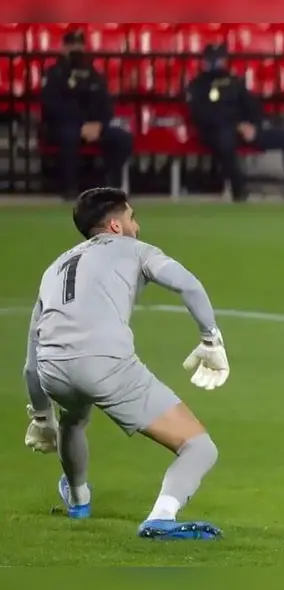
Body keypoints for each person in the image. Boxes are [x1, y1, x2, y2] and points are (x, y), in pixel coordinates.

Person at [22, 187, 231, 540]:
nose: (137, 226)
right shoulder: (137, 250)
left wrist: (42, 417)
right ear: (116, 225)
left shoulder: (55, 267)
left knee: (72, 420)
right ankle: (162, 518)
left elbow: (31, 356)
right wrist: (211, 338)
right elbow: (188, 284)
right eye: (132, 217)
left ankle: (78, 499)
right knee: (199, 447)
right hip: (106, 364)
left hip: (52, 368)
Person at [186, 43, 284, 201]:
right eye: (215, 60)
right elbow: (203, 116)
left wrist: (252, 125)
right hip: (217, 132)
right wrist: (236, 125)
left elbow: (253, 108)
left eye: (221, 59)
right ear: (205, 62)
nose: (219, 64)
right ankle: (238, 189)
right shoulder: (198, 86)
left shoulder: (235, 82)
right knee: (225, 139)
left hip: (245, 131)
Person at [40, 29, 133, 201]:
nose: (76, 48)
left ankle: (111, 186)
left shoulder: (94, 74)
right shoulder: (54, 74)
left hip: (94, 126)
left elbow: (105, 105)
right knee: (68, 137)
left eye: (79, 44)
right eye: (71, 45)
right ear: (64, 48)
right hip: (64, 124)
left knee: (122, 138)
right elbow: (52, 106)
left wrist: (99, 124)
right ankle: (69, 188)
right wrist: (80, 125)